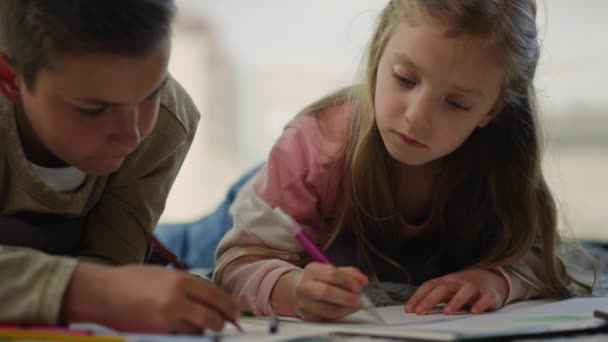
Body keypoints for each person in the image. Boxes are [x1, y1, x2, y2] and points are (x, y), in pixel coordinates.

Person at [212, 0, 592, 322]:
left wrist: (498, 279)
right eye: (405, 79)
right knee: (173, 244)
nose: (416, 116)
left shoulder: (500, 159)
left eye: (456, 103)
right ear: (379, 52)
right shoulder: (312, 147)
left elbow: (541, 254)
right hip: (273, 196)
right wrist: (290, 289)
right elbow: (238, 261)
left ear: (491, 111)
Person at [0, 0, 238, 334]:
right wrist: (87, 291)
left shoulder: (167, 123)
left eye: (152, 95)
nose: (133, 136)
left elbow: (112, 267)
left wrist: (108, 288)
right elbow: (107, 290)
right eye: (93, 109)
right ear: (11, 78)